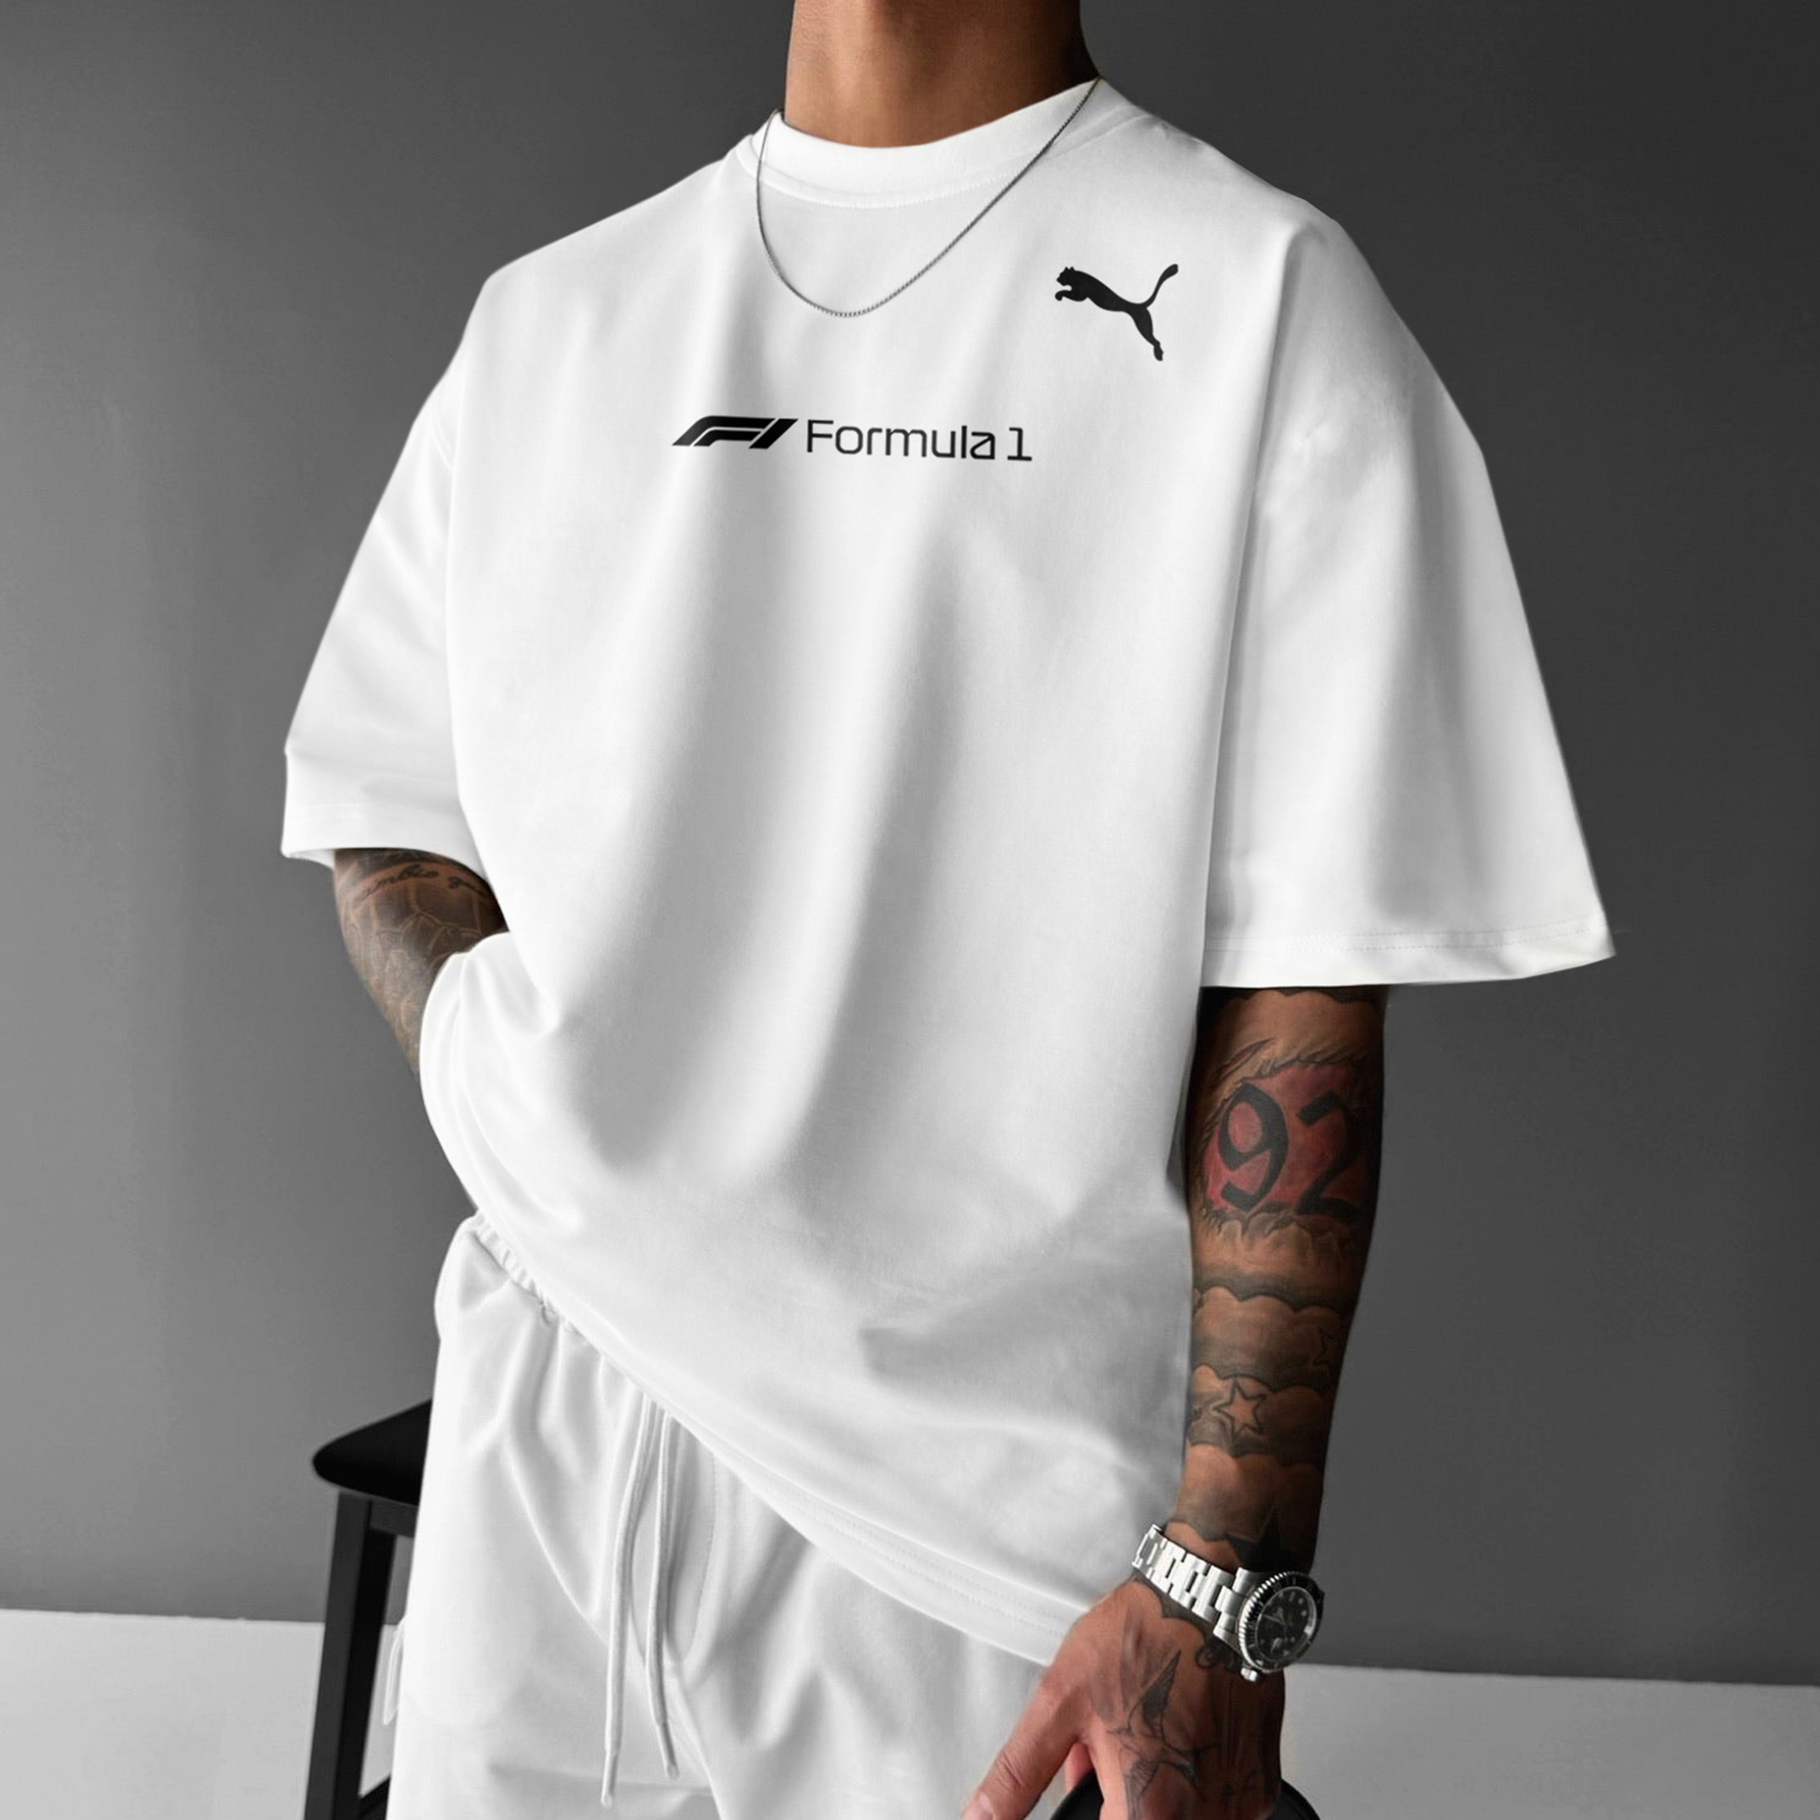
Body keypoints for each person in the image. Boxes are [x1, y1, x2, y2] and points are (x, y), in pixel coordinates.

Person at [279, 4, 1616, 1817]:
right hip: (548, 1430)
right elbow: (389, 812)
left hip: (971, 1557)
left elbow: (1301, 1000)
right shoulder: (555, 315)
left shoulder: (1264, 301)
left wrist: (1220, 1593)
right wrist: (496, 1069)